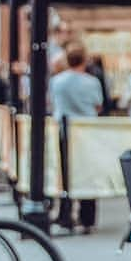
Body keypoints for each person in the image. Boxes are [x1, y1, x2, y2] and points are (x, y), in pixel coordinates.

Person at [49, 44, 104, 232]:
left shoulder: (57, 81)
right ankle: (87, 217)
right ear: (84, 60)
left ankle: (65, 213)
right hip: (87, 132)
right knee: (87, 174)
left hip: (64, 132)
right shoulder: (92, 82)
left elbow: (52, 103)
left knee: (65, 173)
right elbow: (98, 105)